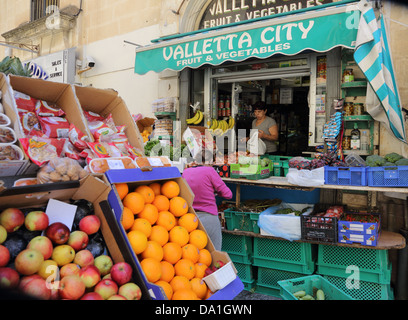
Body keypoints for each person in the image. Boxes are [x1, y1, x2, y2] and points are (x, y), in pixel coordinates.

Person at [182, 150, 232, 251]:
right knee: (214, 253)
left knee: (194, 254)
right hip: (209, 218)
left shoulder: (185, 172)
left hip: (190, 219)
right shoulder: (210, 171)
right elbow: (228, 194)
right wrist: (216, 192)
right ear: (210, 161)